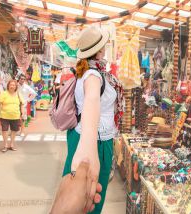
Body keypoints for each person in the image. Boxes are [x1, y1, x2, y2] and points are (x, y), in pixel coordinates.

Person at [62, 26, 118, 214]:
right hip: (96, 140)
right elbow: (92, 101)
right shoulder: (93, 75)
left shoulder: (86, 72)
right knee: (90, 197)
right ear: (100, 50)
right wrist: (90, 148)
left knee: (77, 193)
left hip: (81, 135)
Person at [0, 80, 24, 152]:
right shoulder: (4, 93)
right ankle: (5, 145)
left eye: (14, 85)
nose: (12, 86)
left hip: (15, 116)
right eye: (11, 85)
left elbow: (22, 104)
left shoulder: (18, 94)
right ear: (8, 86)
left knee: (14, 130)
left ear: (16, 87)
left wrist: (22, 113)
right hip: (4, 116)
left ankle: (11, 144)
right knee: (4, 130)